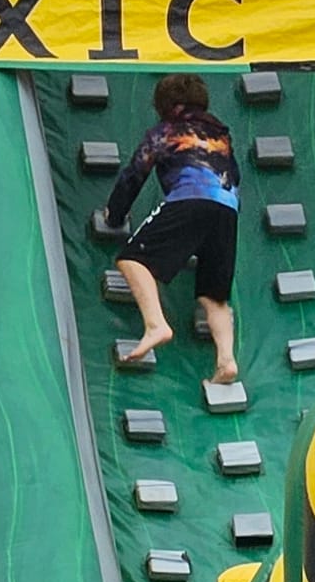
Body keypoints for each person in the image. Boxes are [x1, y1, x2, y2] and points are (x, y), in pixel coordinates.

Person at [97, 68, 242, 385]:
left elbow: (135, 174)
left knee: (132, 259)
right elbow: (235, 174)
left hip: (190, 198)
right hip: (228, 209)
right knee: (214, 296)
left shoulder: (165, 132)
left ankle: (155, 325)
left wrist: (115, 215)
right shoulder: (221, 136)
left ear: (164, 105)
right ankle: (226, 360)